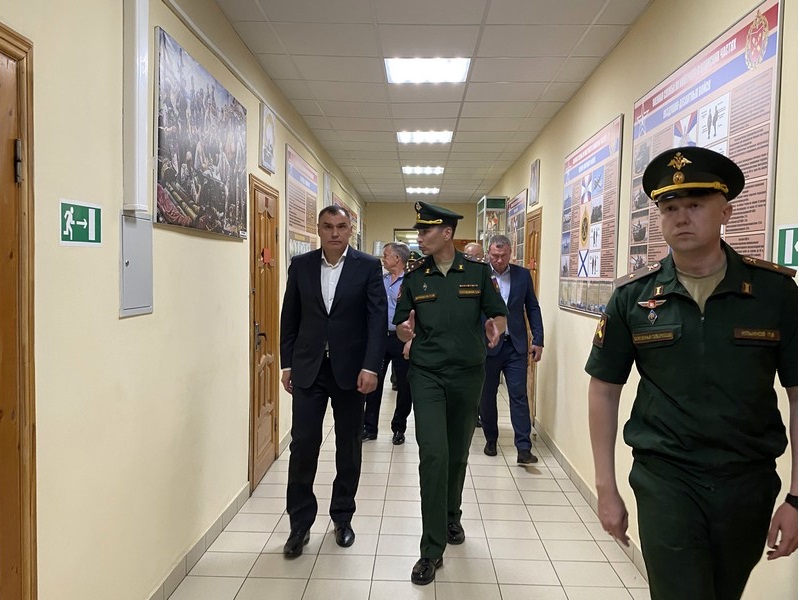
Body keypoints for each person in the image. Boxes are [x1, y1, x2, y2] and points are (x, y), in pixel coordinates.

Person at [585, 146, 797, 599]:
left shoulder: (774, 292)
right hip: (666, 476)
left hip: (748, 479)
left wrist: (797, 496)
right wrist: (606, 487)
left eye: (695, 205)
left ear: (726, 211)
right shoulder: (634, 296)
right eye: (669, 208)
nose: (681, 217)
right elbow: (603, 389)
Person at [395, 201, 508, 585]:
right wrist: (404, 332)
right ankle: (431, 549)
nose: (420, 236)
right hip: (426, 375)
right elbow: (401, 322)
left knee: (457, 453)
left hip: (467, 374)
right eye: (418, 230)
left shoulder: (477, 272)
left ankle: (451, 516)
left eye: (426, 230)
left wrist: (496, 327)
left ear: (446, 233)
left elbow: (498, 312)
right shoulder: (415, 277)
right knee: (434, 454)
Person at [279, 205, 387, 557]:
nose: (335, 233)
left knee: (349, 446)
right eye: (328, 227)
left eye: (341, 226)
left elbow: (376, 320)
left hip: (351, 371)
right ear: (319, 229)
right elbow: (290, 316)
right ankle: (299, 524)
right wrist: (287, 364)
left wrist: (371, 367)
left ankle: (342, 516)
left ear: (350, 229)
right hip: (309, 368)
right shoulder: (302, 266)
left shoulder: (367, 266)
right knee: (303, 445)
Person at [480, 234, 544, 464]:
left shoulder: (522, 275)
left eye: (503, 255)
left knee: (518, 395)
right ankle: (491, 438)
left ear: (510, 254)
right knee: (487, 395)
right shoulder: (480, 275)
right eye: (495, 256)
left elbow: (533, 307)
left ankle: (523, 447)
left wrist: (538, 339)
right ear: (488, 253)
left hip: (515, 345)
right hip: (488, 346)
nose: (499, 260)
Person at [362, 242, 413, 445]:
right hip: (380, 338)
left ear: (397, 259)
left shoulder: (411, 282)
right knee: (373, 382)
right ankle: (369, 427)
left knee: (404, 387)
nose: (383, 259)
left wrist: (411, 340)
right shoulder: (380, 280)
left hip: (402, 340)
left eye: (386, 255)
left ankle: (399, 428)